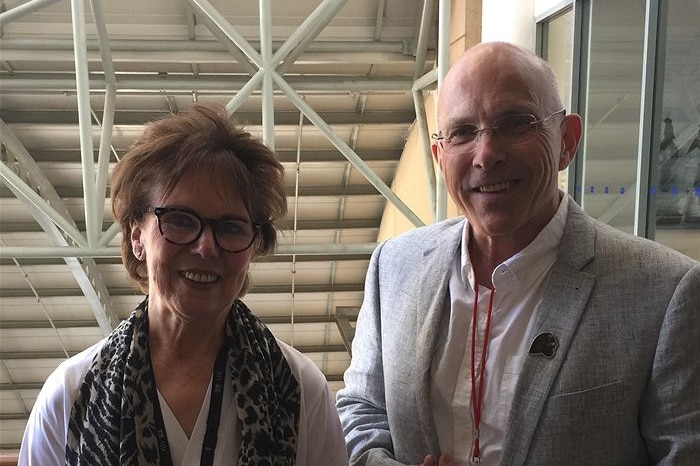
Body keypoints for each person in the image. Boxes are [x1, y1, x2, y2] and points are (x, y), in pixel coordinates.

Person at [336, 41, 700, 465]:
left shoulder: (665, 293)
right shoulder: (393, 266)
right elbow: (362, 410)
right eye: (462, 132)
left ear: (567, 140)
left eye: (514, 123)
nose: (486, 155)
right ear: (439, 156)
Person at [19, 105, 349, 465]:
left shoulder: (299, 390)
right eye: (179, 219)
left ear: (253, 246)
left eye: (230, 227)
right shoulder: (69, 397)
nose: (206, 246)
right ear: (136, 236)